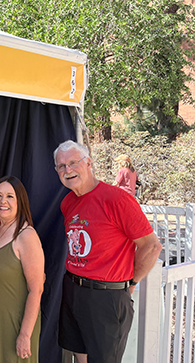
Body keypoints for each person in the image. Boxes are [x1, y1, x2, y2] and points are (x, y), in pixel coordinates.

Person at [54, 140, 162, 363]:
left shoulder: (117, 199)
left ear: (89, 163)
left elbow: (151, 246)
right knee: (79, 353)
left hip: (106, 296)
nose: (68, 170)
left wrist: (130, 284)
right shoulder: (67, 202)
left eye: (73, 163)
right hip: (73, 288)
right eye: (61, 166)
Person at [0, 176, 45, 363]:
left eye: (10, 196)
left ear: (20, 201)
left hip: (14, 326)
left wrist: (24, 335)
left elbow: (36, 290)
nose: (3, 201)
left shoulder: (26, 236)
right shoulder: (1, 230)